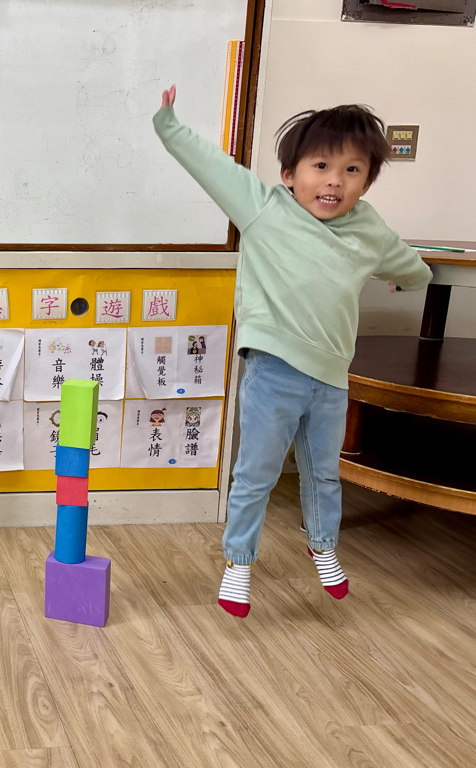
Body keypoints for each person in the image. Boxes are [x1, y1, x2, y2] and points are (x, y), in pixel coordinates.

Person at [154, 85, 431, 617]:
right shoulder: (264, 208)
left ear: (367, 181)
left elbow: (410, 267)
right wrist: (169, 124)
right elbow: (211, 166)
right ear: (289, 174)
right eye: (321, 165)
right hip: (273, 370)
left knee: (324, 472)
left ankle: (323, 547)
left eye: (352, 170)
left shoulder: (368, 229)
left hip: (331, 378)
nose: (334, 180)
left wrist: (409, 278)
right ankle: (238, 562)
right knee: (256, 473)